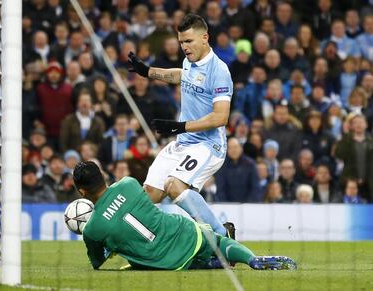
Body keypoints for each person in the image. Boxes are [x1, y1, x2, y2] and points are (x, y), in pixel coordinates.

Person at [72, 161, 297, 271]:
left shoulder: (92, 230)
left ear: (81, 191)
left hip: (161, 262)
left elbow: (97, 262)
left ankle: (212, 263)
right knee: (219, 240)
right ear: (102, 176)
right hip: (183, 232)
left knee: (193, 264)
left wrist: (107, 244)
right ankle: (251, 259)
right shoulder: (129, 183)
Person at [128, 14, 234, 238]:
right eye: (181, 42)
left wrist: (181, 127)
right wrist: (147, 72)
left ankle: (222, 235)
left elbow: (221, 117)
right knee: (149, 195)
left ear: (204, 38)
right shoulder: (190, 61)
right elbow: (182, 76)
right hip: (183, 142)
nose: (184, 47)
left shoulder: (220, 71)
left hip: (208, 145)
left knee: (174, 185)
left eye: (189, 41)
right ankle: (132, 242)